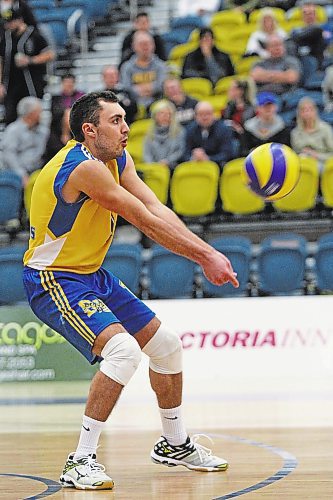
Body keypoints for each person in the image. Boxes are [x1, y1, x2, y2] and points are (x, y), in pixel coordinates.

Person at [22, 90, 239, 491]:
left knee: (167, 346)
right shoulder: (79, 168)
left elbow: (157, 209)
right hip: (54, 277)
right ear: (89, 130)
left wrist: (209, 251)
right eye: (116, 121)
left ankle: (175, 444)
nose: (126, 128)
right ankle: (80, 460)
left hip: (91, 273)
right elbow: (143, 221)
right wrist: (205, 257)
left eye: (124, 119)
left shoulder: (116, 159)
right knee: (122, 351)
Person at [0, 7, 54, 124]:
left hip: (31, 85)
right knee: (10, 118)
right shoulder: (6, 37)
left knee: (33, 118)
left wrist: (30, 60)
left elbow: (50, 54)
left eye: (11, 22)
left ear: (19, 20)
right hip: (11, 86)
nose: (8, 25)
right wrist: (0, 84)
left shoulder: (34, 35)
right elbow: (2, 60)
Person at [2, 96, 49, 187]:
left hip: (36, 171)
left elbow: (41, 152)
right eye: (39, 112)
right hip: (15, 174)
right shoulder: (13, 130)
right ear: (31, 114)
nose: (41, 115)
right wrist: (22, 174)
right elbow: (9, 155)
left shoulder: (43, 131)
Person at [120, 30, 167, 115]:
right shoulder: (126, 67)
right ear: (134, 46)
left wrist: (138, 88)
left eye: (148, 43)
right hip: (133, 108)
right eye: (141, 44)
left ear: (154, 45)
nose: (145, 47)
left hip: (157, 105)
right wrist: (150, 87)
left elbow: (161, 86)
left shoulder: (161, 66)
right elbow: (126, 88)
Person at [184, 100, 235, 169]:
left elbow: (227, 153)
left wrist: (208, 158)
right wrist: (193, 157)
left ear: (214, 114)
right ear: (195, 116)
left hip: (218, 167)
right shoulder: (190, 129)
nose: (205, 117)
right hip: (194, 165)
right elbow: (184, 152)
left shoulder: (224, 129)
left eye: (208, 114)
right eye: (201, 114)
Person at [240, 91, 290, 155]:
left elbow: (287, 150)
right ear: (257, 108)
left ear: (275, 107)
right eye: (264, 106)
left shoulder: (283, 127)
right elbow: (243, 150)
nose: (268, 109)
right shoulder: (248, 127)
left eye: (270, 105)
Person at [143, 99, 186, 171]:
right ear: (155, 116)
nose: (165, 116)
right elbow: (147, 154)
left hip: (173, 168)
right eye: (161, 113)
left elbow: (180, 151)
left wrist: (167, 161)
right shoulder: (150, 133)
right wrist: (152, 165)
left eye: (168, 114)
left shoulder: (179, 131)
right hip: (154, 169)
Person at [290, 96, 333, 165]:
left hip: (322, 162)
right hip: (302, 162)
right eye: (303, 110)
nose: (307, 113)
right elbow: (295, 153)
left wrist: (317, 155)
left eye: (310, 109)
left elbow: (331, 153)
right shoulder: (295, 133)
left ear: (315, 111)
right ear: (299, 113)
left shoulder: (326, 129)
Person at [290, 1, 327, 69]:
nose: (309, 16)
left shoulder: (322, 28)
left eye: (312, 13)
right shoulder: (295, 30)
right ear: (302, 15)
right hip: (300, 60)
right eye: (305, 13)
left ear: (316, 15)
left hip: (320, 59)